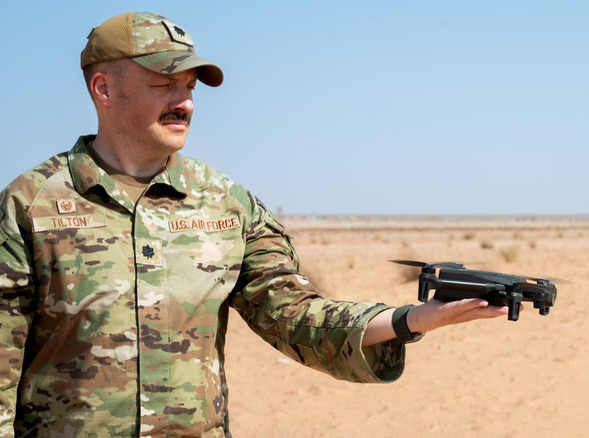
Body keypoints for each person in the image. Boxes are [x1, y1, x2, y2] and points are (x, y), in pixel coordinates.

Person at [0, 12, 511, 437]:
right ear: (104, 89)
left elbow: (294, 316)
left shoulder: (229, 204)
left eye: (189, 86)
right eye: (163, 85)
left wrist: (412, 319)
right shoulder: (32, 204)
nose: (185, 102)